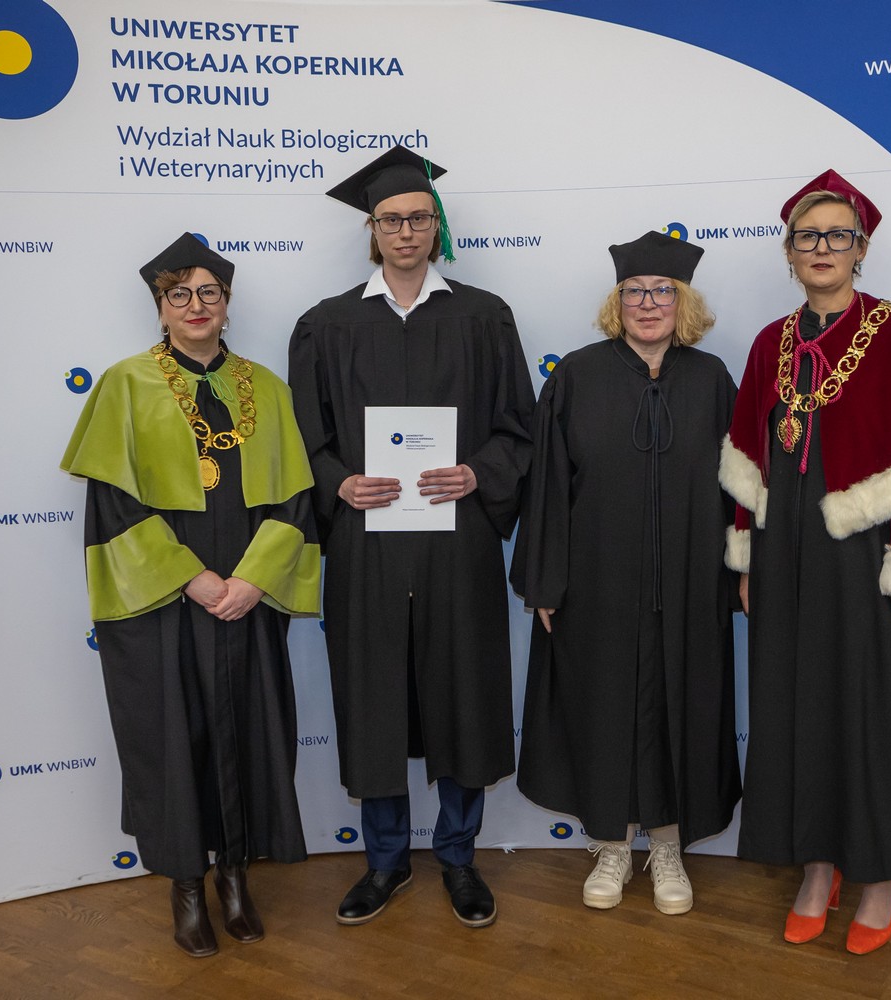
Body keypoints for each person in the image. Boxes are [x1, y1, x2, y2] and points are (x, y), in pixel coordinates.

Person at [720, 171, 891, 954]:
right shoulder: (769, 344)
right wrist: (748, 559)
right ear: (789, 252)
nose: (822, 248)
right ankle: (818, 868)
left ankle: (879, 878)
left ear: (860, 249)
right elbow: (748, 464)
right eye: (807, 236)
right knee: (799, 711)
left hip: (877, 563)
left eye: (838, 235)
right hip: (791, 563)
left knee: (881, 717)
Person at [287, 146, 535, 928]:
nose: (406, 231)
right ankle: (386, 862)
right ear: (371, 229)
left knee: (464, 694)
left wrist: (477, 473)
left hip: (457, 541)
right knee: (374, 699)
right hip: (367, 543)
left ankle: (458, 857)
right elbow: (303, 438)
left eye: (419, 218)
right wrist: (338, 484)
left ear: (436, 226)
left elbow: (518, 429)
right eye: (391, 220)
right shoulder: (327, 324)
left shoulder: (483, 316)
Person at [61, 233, 321, 958]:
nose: (196, 305)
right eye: (180, 294)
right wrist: (193, 578)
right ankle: (185, 884)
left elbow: (296, 500)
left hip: (245, 599)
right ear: (161, 306)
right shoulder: (125, 383)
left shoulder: (266, 387)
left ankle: (235, 875)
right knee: (172, 740)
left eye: (209, 293)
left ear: (227, 305)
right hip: (164, 604)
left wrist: (252, 580)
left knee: (249, 734)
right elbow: (112, 506)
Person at [511, 232, 741, 915]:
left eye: (662, 291)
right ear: (617, 302)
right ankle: (611, 844)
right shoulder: (576, 376)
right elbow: (547, 486)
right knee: (603, 710)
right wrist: (545, 580)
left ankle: (668, 845)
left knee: (683, 709)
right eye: (634, 291)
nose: (648, 303)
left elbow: (744, 486)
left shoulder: (712, 381)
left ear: (683, 302)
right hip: (597, 584)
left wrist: (740, 571)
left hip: (691, 583)